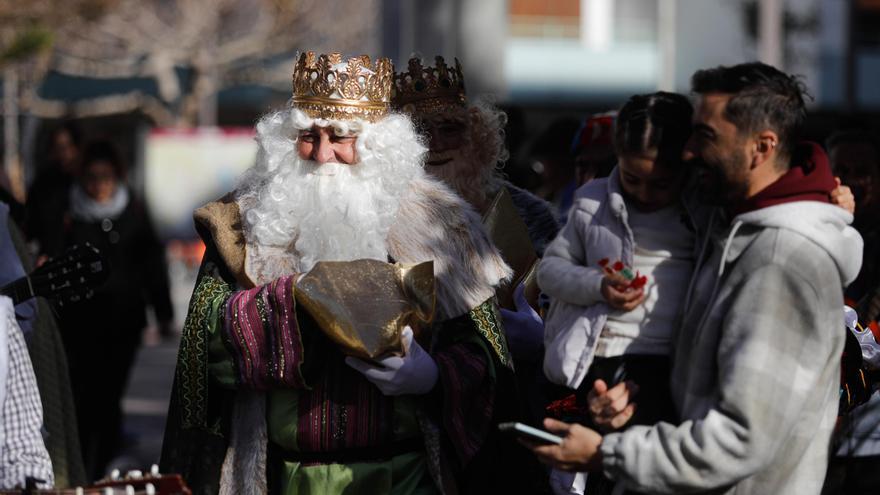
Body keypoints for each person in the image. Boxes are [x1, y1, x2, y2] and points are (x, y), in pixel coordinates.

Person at [160, 51, 518, 495]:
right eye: (307, 136)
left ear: (376, 145)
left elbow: (490, 358)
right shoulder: (241, 224)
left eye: (341, 137)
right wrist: (299, 306)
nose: (323, 154)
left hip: (407, 479)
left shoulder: (442, 222)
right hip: (285, 479)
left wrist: (435, 375)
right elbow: (202, 350)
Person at [527, 62, 862, 495]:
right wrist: (630, 395)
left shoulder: (781, 261)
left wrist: (608, 453)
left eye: (705, 136)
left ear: (761, 147)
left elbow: (740, 438)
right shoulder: (723, 222)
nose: (686, 151)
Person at [538, 92, 702, 495]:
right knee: (599, 468)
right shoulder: (591, 201)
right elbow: (550, 271)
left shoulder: (702, 209)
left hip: (669, 368)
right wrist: (597, 285)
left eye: (660, 184)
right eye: (632, 179)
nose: (644, 194)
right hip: (597, 361)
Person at [54, 140, 174, 480]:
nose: (99, 185)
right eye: (92, 177)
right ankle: (79, 463)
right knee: (80, 394)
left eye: (106, 177)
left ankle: (100, 460)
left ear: (116, 177)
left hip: (122, 322)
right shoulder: (67, 211)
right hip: (78, 323)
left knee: (108, 393)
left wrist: (163, 311)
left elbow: (152, 263)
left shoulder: (132, 209)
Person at [822, 129, 880, 495]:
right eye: (842, 169)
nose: (854, 180)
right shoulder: (813, 235)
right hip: (818, 435)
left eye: (864, 170)